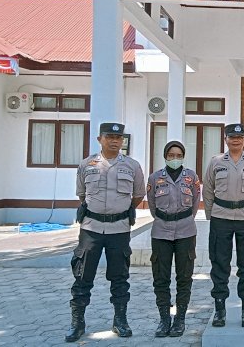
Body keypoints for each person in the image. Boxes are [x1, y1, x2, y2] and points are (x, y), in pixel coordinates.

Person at [66, 123, 146, 342]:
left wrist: (118, 210)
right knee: (82, 276)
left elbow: (138, 194)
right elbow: (82, 195)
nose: (114, 141)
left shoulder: (132, 165)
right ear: (99, 139)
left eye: (118, 138)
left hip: (119, 229)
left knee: (120, 277)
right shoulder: (86, 164)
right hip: (91, 228)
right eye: (110, 137)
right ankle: (77, 322)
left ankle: (120, 320)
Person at [203, 123, 244, 328]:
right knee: (219, 264)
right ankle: (220, 310)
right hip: (221, 217)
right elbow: (208, 190)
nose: (236, 140)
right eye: (232, 137)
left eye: (239, 137)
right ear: (226, 139)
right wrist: (211, 214)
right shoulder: (216, 162)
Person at [146, 140, 200, 337]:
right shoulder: (154, 178)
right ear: (165, 156)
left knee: (184, 277)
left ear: (183, 156)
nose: (175, 159)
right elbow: (152, 206)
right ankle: (164, 319)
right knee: (161, 277)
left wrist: (181, 219)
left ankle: (180, 319)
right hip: (161, 231)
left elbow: (194, 203)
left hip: (186, 230)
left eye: (179, 155)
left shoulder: (191, 177)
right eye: (171, 155)